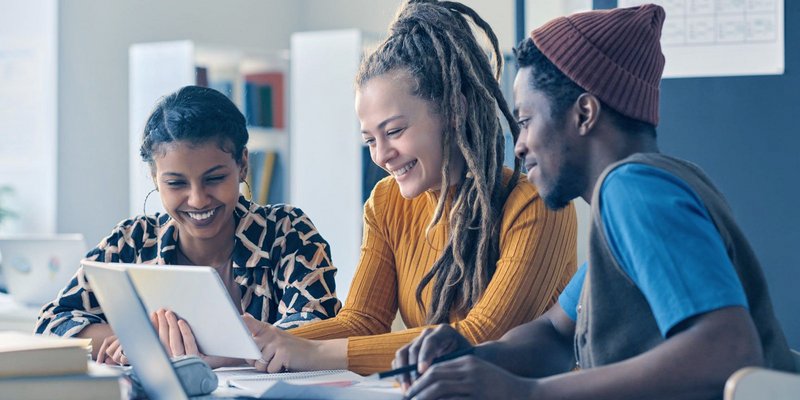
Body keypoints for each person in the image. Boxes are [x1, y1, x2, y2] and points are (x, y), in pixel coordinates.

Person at [393, 4, 795, 399]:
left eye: (526, 121)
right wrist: (470, 356)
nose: (519, 146)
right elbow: (555, 333)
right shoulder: (648, 193)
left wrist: (529, 393)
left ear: (585, 113)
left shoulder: (632, 189)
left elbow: (727, 350)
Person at [237, 0, 578, 375]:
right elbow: (362, 321)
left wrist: (313, 353)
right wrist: (253, 346)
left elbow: (481, 337)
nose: (382, 155)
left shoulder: (535, 204)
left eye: (395, 131)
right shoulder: (386, 202)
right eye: (370, 140)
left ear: (454, 110)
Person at [34, 86, 341, 367]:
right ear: (155, 178)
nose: (197, 199)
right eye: (176, 183)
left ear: (242, 165)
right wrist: (138, 340)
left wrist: (210, 353)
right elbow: (52, 323)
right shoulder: (133, 241)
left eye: (214, 178)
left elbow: (318, 328)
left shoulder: (287, 233)